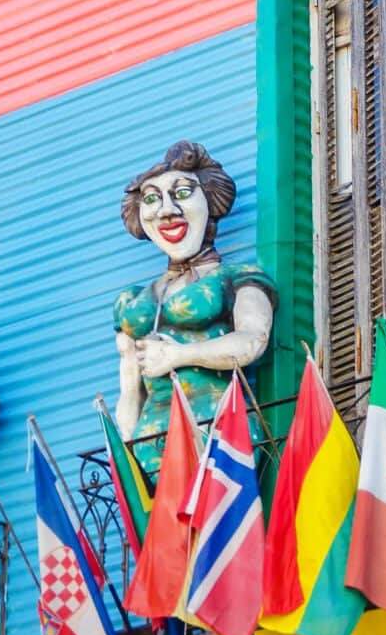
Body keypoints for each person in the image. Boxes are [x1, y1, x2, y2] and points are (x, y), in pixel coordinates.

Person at [112, 141, 277, 466]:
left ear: (210, 199)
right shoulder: (131, 301)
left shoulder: (238, 277)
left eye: (183, 193)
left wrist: (178, 356)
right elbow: (130, 389)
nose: (167, 210)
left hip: (219, 437)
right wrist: (127, 453)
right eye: (151, 199)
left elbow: (253, 341)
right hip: (152, 450)